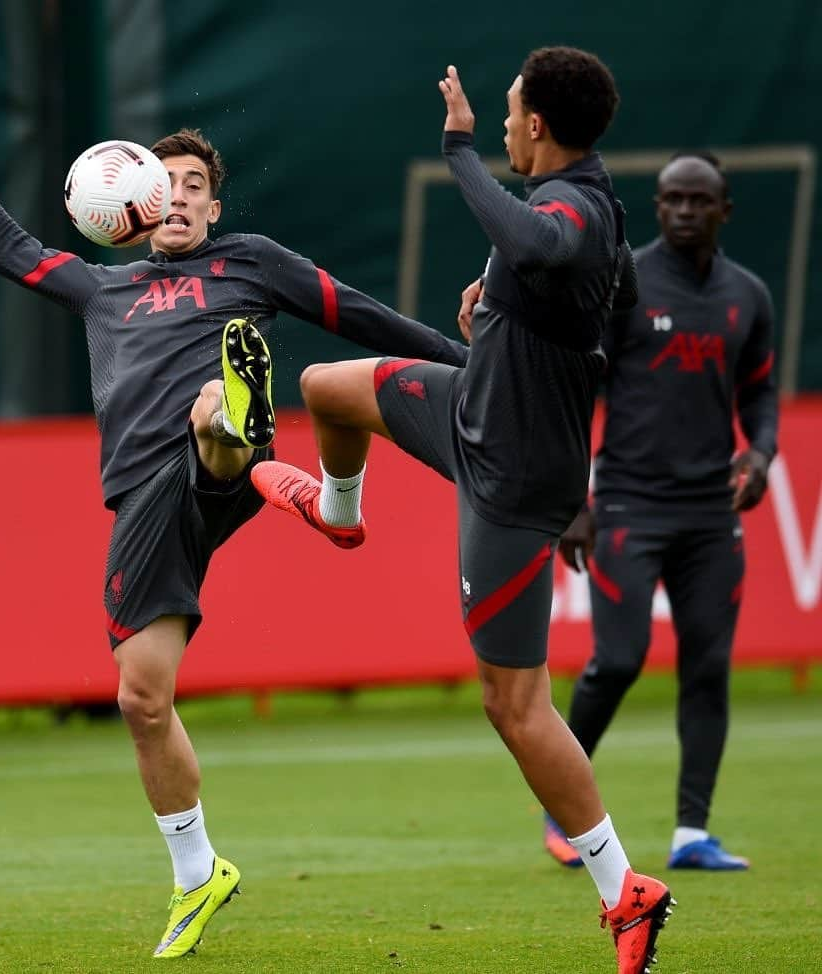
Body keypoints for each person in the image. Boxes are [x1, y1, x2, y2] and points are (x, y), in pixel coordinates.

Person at [0, 96, 467, 959]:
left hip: (214, 467)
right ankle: (197, 872)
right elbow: (10, 249)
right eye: (162, 183)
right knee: (141, 697)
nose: (176, 196)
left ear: (214, 207)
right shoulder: (101, 286)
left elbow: (361, 315)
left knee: (212, 408)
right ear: (133, 206)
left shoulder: (251, 262)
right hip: (142, 501)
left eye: (193, 185)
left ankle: (234, 424)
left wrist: (468, 363)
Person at [252, 50, 674, 973]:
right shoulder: (583, 202)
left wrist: (459, 152)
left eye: (513, 112)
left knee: (513, 702)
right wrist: (515, 312)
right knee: (325, 387)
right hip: (473, 406)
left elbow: (546, 245)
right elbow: (611, 293)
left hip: (516, 475)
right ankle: (338, 511)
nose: (506, 122)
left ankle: (624, 889)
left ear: (534, 128)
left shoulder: (570, 205)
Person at [541, 152, 778, 873]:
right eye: (671, 199)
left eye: (697, 201)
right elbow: (578, 389)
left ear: (724, 210)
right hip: (627, 506)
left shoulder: (748, 296)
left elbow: (761, 393)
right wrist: (572, 501)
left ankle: (691, 834)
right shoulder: (625, 282)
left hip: (711, 514)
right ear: (658, 207)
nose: (682, 211)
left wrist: (762, 454)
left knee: (708, 666)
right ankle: (560, 806)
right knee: (618, 658)